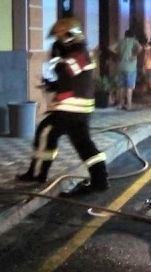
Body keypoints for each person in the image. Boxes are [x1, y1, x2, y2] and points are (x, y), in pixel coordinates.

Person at [17, 17, 109, 196]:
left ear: (69, 36)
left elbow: (67, 72)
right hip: (76, 108)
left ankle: (37, 174)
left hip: (72, 108)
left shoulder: (78, 53)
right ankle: (100, 180)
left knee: (46, 132)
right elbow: (68, 79)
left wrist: (57, 57)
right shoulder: (78, 52)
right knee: (82, 144)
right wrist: (53, 83)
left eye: (60, 38)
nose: (58, 41)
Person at [114, 29, 143, 110]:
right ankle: (129, 105)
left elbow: (112, 48)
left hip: (121, 67)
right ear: (133, 35)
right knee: (129, 87)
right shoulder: (134, 41)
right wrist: (134, 55)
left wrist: (119, 55)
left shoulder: (121, 42)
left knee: (121, 86)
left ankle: (120, 104)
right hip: (131, 68)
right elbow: (140, 48)